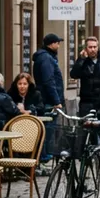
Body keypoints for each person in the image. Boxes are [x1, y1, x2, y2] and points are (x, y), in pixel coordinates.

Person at [33, 33, 64, 165]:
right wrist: (56, 100)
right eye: (57, 43)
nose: (58, 45)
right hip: (48, 101)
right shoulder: (46, 58)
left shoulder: (46, 57)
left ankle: (44, 156)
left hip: (47, 99)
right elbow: (49, 81)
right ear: (51, 44)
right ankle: (44, 157)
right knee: (47, 130)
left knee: (47, 129)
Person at [69, 36, 100, 117]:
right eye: (90, 47)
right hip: (86, 101)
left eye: (95, 47)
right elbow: (74, 75)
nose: (93, 49)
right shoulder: (83, 61)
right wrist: (81, 59)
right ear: (86, 48)